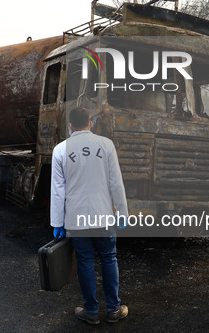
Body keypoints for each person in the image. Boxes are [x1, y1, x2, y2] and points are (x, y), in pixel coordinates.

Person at [50, 107, 129, 325]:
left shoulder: (60, 150)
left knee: (84, 261)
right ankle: (114, 309)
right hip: (103, 214)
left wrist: (57, 223)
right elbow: (115, 182)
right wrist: (122, 212)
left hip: (76, 218)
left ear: (69, 126)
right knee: (108, 258)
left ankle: (91, 311)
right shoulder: (105, 145)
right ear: (90, 123)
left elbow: (58, 190)